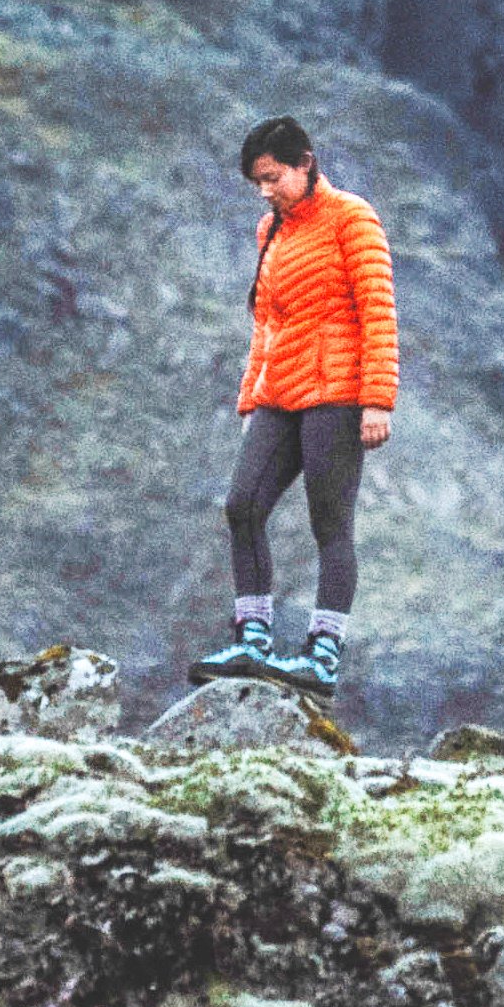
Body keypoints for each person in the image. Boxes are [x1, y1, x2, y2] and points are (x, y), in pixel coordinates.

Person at [187, 115, 396, 701]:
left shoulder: (352, 217)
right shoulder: (270, 232)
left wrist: (377, 401)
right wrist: (252, 391)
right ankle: (253, 641)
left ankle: (322, 655)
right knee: (242, 505)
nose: (265, 190)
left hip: (337, 394)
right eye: (257, 181)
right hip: (281, 394)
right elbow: (266, 321)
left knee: (330, 524)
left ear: (305, 162)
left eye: (273, 176)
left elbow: (378, 311)